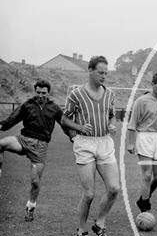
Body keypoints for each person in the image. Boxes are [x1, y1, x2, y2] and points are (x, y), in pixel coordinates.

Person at [0, 80, 93, 221]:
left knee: (35, 182)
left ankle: (30, 207)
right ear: (35, 91)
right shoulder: (27, 104)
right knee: (1, 144)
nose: (40, 95)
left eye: (43, 93)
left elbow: (64, 124)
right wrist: (2, 126)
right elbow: (12, 119)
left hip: (40, 147)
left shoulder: (54, 108)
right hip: (23, 140)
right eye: (38, 92)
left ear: (48, 93)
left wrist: (73, 137)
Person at [64, 56, 121, 236]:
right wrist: (79, 128)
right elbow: (65, 119)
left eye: (106, 73)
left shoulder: (110, 94)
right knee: (89, 194)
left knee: (114, 188)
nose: (104, 76)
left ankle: (100, 223)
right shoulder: (76, 94)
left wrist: (112, 126)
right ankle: (81, 230)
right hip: (85, 144)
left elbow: (112, 116)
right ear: (90, 70)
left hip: (105, 142)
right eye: (100, 72)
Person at [127, 72, 157, 213]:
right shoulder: (141, 101)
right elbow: (132, 123)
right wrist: (131, 143)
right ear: (153, 84)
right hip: (145, 138)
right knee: (147, 175)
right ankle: (145, 210)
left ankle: (142, 200)